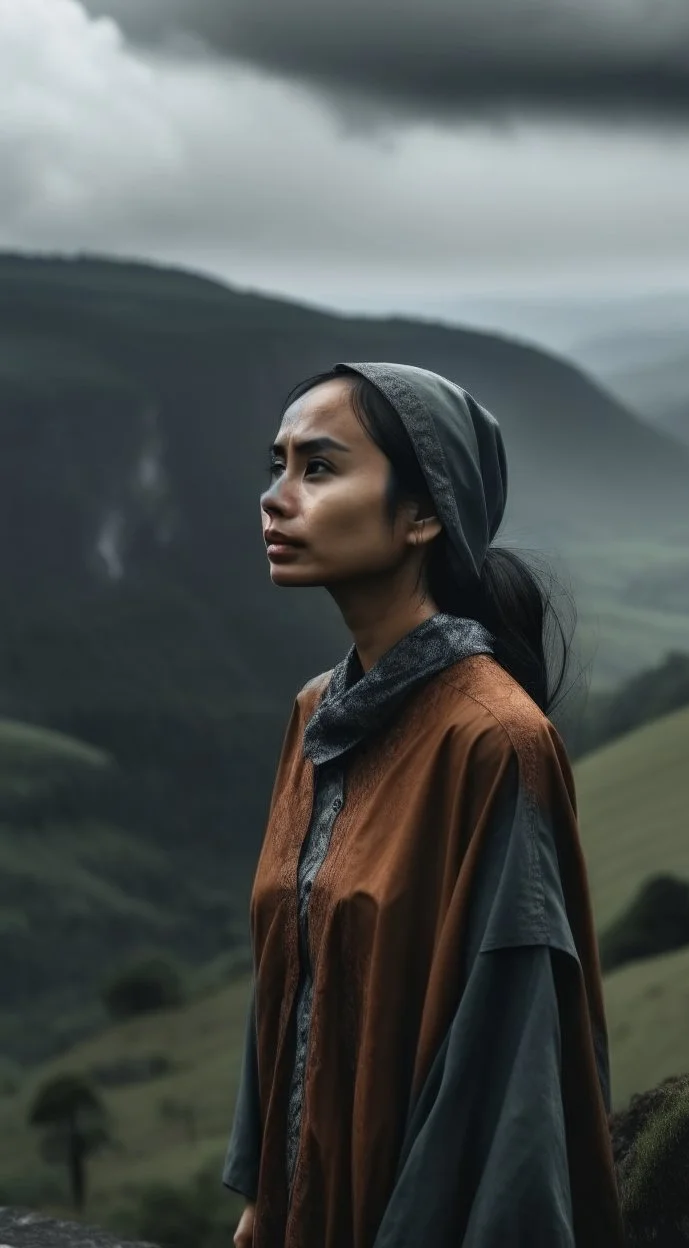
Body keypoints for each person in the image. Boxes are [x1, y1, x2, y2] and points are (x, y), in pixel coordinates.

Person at [222, 362, 625, 1248]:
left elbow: (511, 1058)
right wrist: (262, 1189)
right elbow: (290, 967)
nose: (275, 498)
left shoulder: (493, 741)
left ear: (422, 514)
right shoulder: (314, 715)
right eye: (276, 464)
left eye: (318, 469)